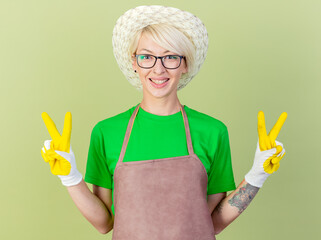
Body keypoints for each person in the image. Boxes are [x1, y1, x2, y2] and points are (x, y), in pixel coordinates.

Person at [40, 5, 287, 240]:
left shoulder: (213, 131)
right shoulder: (106, 132)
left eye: (170, 57)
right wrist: (71, 178)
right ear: (134, 62)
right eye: (147, 57)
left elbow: (212, 223)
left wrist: (257, 176)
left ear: (185, 64)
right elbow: (104, 223)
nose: (158, 69)